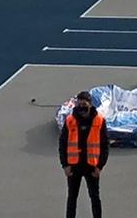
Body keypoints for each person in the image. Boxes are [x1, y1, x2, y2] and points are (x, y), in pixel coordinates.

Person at [59, 90, 109, 218]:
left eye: (84, 105)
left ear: (90, 105)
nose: (81, 107)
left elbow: (105, 146)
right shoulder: (70, 120)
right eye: (79, 104)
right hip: (74, 166)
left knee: (95, 197)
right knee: (72, 198)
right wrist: (65, 165)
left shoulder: (99, 121)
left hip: (91, 167)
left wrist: (100, 166)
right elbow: (62, 144)